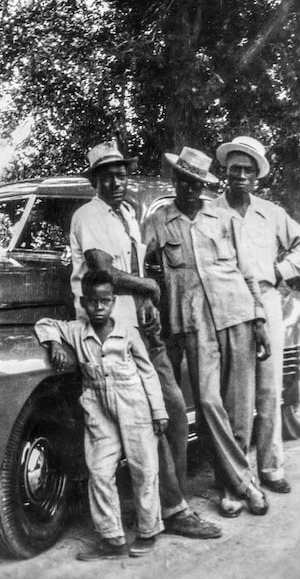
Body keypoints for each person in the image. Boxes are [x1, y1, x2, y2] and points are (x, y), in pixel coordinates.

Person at [70, 139, 221, 538]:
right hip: (110, 335)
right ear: (96, 181)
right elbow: (102, 272)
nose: (117, 182)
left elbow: (133, 263)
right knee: (150, 420)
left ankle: (173, 504)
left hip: (139, 329)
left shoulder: (127, 215)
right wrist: (151, 288)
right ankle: (172, 510)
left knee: (171, 406)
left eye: (121, 174)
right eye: (108, 176)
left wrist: (147, 304)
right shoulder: (89, 216)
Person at [143, 146, 271, 519]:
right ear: (174, 180)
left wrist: (259, 318)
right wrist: (147, 297)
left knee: (239, 407)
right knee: (211, 404)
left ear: (203, 185)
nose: (187, 188)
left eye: (195, 182)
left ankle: (229, 488)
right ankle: (246, 483)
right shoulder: (159, 220)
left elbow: (247, 271)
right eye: (182, 180)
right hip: (194, 323)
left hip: (237, 314)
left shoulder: (222, 216)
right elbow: (136, 259)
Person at [35, 269, 167, 560]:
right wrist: (55, 343)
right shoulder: (77, 330)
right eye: (92, 302)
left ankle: (148, 530)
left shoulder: (128, 332)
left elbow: (147, 372)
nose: (98, 308)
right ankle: (113, 540)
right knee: (99, 472)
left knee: (144, 468)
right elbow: (45, 324)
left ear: (114, 301)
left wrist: (158, 411)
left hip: (134, 403)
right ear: (83, 302)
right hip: (98, 406)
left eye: (104, 301)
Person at [214, 135, 300, 495]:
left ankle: (271, 468)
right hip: (230, 305)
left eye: (246, 170)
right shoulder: (213, 211)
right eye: (233, 169)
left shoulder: (270, 213)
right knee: (236, 396)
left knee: (269, 389)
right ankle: (238, 476)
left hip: (268, 300)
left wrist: (281, 270)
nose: (239, 175)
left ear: (256, 177)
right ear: (224, 173)